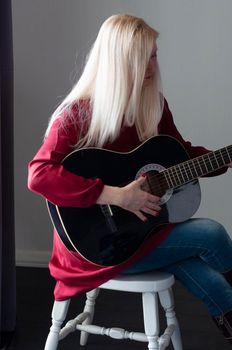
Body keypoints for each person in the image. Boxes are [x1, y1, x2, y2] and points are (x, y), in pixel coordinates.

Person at [28, 14, 232, 345]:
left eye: (154, 54)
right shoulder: (77, 114)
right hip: (95, 250)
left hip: (142, 234)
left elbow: (180, 154)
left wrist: (224, 158)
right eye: (145, 56)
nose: (154, 64)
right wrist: (117, 196)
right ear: (120, 61)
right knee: (210, 233)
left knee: (213, 282)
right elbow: (39, 175)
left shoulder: (152, 105)